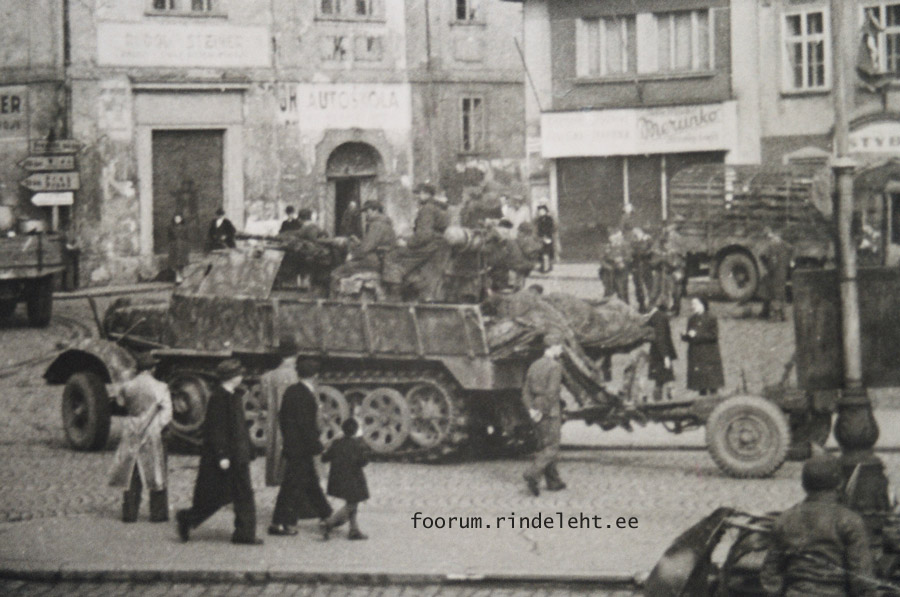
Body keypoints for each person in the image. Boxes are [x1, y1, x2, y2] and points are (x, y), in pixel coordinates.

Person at [761, 454, 876, 597]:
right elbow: (862, 579)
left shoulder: (785, 519)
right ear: (840, 484)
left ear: (803, 485)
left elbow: (771, 574)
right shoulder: (850, 520)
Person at [176, 359, 262, 545]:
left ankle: (244, 534)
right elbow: (216, 429)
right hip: (228, 455)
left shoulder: (233, 396)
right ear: (231, 377)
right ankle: (188, 518)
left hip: (238, 454)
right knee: (220, 496)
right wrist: (222, 455)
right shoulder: (219, 398)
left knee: (242, 494)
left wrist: (249, 448)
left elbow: (240, 427)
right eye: (239, 373)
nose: (242, 376)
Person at [268, 358, 333, 536]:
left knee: (310, 482)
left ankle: (326, 514)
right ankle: (279, 523)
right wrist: (318, 446)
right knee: (291, 487)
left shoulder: (291, 391)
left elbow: (283, 418)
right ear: (315, 376)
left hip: (293, 446)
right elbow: (306, 426)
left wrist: (289, 440)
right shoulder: (307, 396)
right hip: (302, 449)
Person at [108, 353, 172, 523]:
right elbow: (167, 413)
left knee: (131, 471)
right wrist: (156, 426)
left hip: (131, 430)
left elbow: (121, 404)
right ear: (152, 369)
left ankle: (129, 513)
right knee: (156, 470)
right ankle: (158, 514)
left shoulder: (128, 386)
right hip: (152, 432)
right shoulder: (161, 387)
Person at [383, 183, 451, 301]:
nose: (418, 196)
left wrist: (407, 243)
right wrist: (407, 237)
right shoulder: (439, 208)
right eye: (418, 193)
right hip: (438, 245)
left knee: (392, 257)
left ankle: (395, 296)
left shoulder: (427, 209)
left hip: (429, 246)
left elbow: (424, 235)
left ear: (428, 194)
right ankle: (412, 286)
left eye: (420, 193)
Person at [522, 335, 566, 496]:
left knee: (543, 445)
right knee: (552, 446)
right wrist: (543, 411)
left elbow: (525, 391)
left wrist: (532, 410)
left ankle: (554, 481)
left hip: (535, 405)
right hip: (549, 409)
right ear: (553, 347)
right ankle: (532, 473)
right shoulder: (555, 366)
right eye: (560, 346)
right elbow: (552, 392)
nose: (561, 349)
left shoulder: (534, 365)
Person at [329, 200, 396, 293]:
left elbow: (367, 248)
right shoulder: (384, 223)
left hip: (376, 260)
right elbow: (371, 244)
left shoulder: (377, 224)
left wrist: (353, 255)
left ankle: (337, 299)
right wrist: (359, 242)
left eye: (367, 211)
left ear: (375, 210)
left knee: (337, 272)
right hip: (381, 258)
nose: (366, 215)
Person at [321, 417, 370, 540]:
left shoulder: (337, 443)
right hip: (353, 480)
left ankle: (354, 529)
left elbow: (324, 458)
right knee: (352, 504)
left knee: (351, 502)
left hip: (337, 480)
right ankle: (330, 522)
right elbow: (363, 462)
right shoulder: (358, 445)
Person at [263, 337, 299, 488]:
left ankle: (276, 476)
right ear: (296, 354)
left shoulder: (267, 377)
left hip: (275, 425)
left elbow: (263, 402)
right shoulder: (298, 376)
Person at [682, 297, 724, 395]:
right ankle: (702, 398)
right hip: (696, 355)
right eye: (692, 304)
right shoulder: (692, 319)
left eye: (695, 304)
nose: (693, 307)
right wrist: (685, 336)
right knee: (700, 384)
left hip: (709, 354)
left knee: (712, 383)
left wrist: (697, 335)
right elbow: (690, 337)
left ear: (702, 305)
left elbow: (714, 336)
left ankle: (714, 398)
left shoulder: (711, 318)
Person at [647, 299, 677, 401]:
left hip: (656, 353)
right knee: (668, 381)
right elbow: (661, 338)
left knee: (659, 381)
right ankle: (670, 403)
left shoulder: (655, 317)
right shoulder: (660, 317)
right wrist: (666, 357)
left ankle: (659, 402)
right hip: (661, 354)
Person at [759, 228, 791, 321]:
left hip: (773, 271)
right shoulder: (785, 245)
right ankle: (782, 315)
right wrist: (789, 262)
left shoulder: (771, 245)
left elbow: (762, 255)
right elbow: (791, 250)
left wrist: (766, 265)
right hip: (781, 271)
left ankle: (775, 316)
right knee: (780, 292)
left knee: (774, 293)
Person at [167, 213, 190, 284]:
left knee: (182, 262)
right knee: (175, 263)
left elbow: (187, 237)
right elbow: (169, 237)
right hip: (174, 246)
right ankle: (178, 277)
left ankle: (182, 276)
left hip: (182, 246)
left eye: (179, 218)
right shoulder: (170, 227)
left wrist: (186, 246)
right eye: (176, 218)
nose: (177, 220)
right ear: (174, 219)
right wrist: (171, 245)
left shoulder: (185, 227)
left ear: (181, 219)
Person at [534, 204, 555, 273]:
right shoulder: (539, 220)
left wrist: (546, 236)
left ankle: (547, 267)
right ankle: (543, 266)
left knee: (547, 253)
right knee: (541, 253)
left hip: (548, 238)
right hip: (541, 238)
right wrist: (539, 236)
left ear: (546, 211)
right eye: (539, 211)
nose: (541, 212)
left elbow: (551, 228)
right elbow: (538, 229)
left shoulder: (549, 219)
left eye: (542, 211)